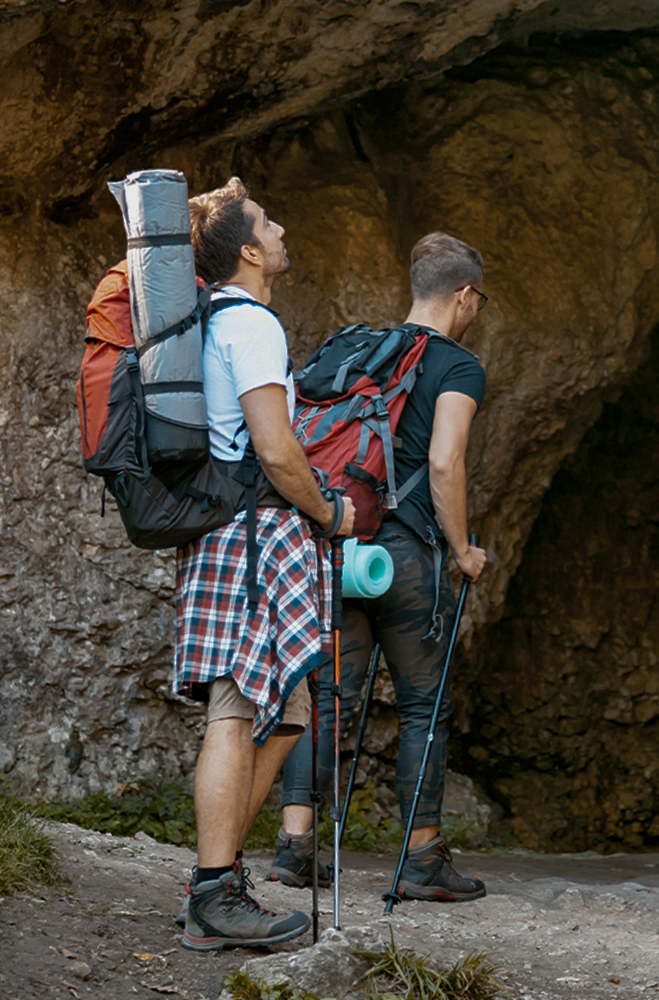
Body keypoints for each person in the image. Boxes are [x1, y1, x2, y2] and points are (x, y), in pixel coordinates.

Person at [268, 231, 491, 902]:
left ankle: (296, 848)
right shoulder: (457, 365)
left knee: (329, 700)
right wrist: (462, 550)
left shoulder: (360, 350)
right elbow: (446, 460)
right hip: (402, 554)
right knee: (425, 703)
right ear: (465, 296)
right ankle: (421, 858)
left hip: (337, 540)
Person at [173, 177, 355, 952]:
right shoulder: (250, 324)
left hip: (237, 528)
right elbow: (277, 450)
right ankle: (214, 894)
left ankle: (218, 883)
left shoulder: (215, 320)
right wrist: (330, 510)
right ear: (248, 250)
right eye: (269, 223)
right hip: (253, 529)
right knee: (239, 707)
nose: (282, 230)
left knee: (288, 709)